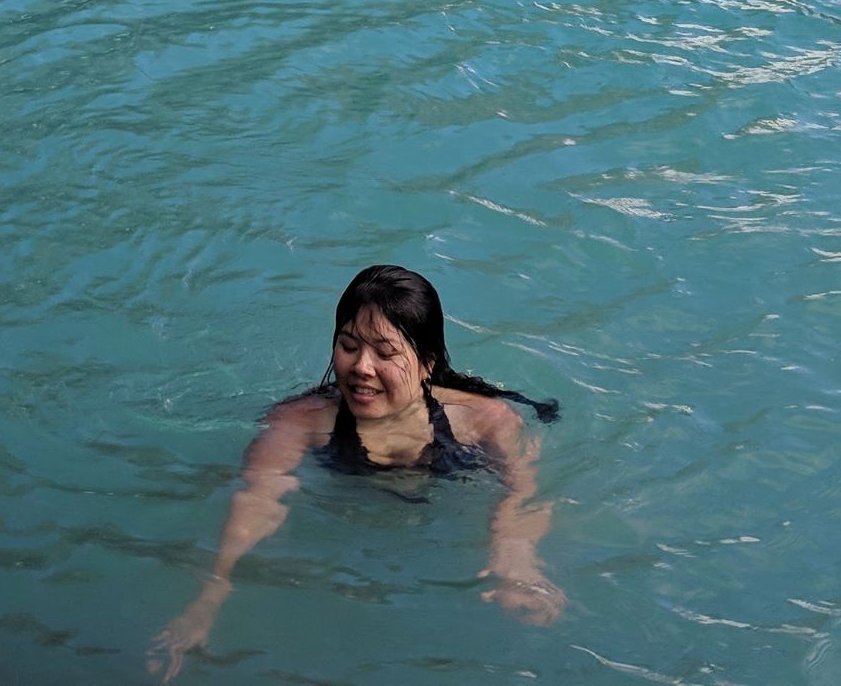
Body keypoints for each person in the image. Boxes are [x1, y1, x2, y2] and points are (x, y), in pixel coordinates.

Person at [149, 263, 563, 677]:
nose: (362, 366)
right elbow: (256, 499)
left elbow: (523, 491)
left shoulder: (485, 420)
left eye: (385, 353)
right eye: (349, 346)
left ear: (427, 364)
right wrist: (208, 598)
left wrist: (516, 558)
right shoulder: (302, 421)